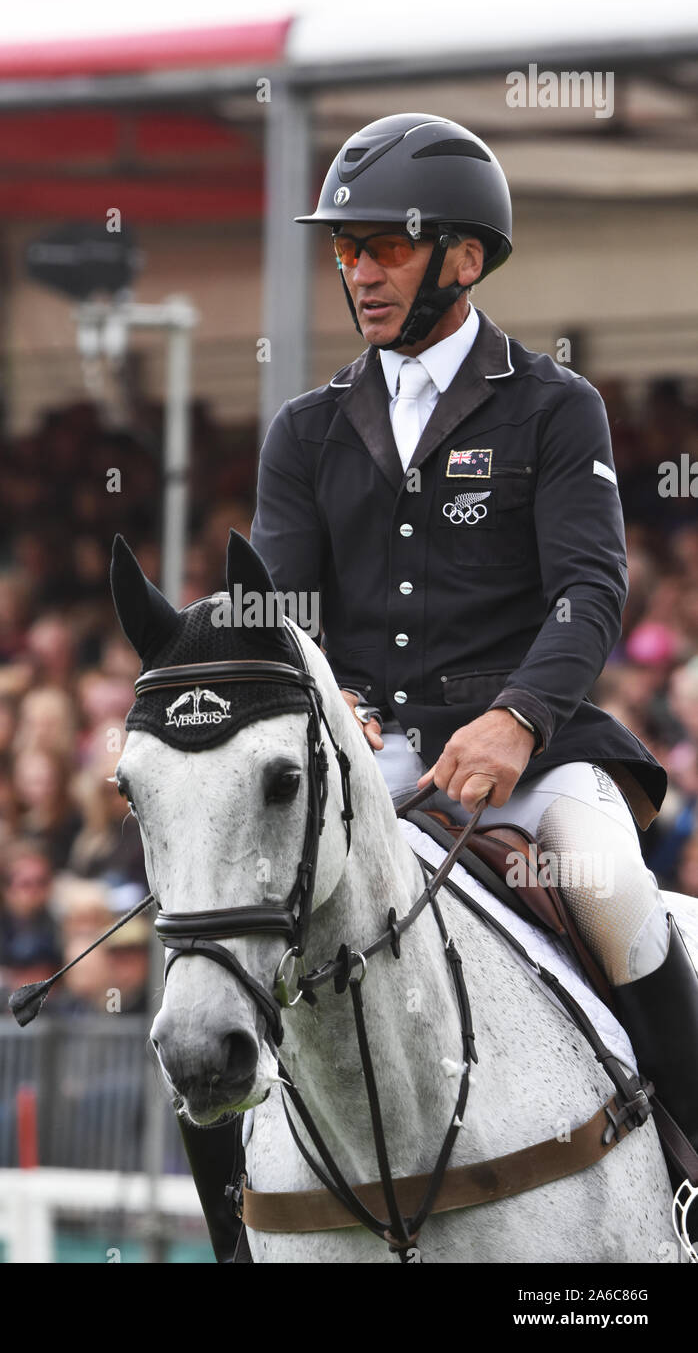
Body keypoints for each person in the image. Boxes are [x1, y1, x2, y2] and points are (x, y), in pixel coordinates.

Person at [190, 114, 698, 1262]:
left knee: (612, 886)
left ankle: (686, 1171)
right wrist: (339, 707)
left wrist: (516, 718)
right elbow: (282, 607)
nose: (356, 271)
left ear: (460, 257)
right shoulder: (307, 430)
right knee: (223, 943)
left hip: (536, 744)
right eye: (345, 250)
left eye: (383, 247)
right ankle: (232, 1234)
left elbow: (588, 593)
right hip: (370, 746)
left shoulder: (553, 406)